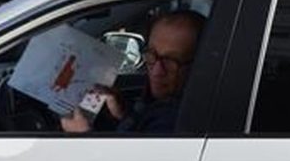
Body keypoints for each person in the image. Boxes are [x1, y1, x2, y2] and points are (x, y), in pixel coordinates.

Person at [61, 11, 205, 134]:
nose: (157, 71)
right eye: (151, 54)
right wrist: (124, 115)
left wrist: (83, 136)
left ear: (199, 64)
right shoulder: (164, 104)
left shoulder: (176, 121)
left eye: (171, 60)